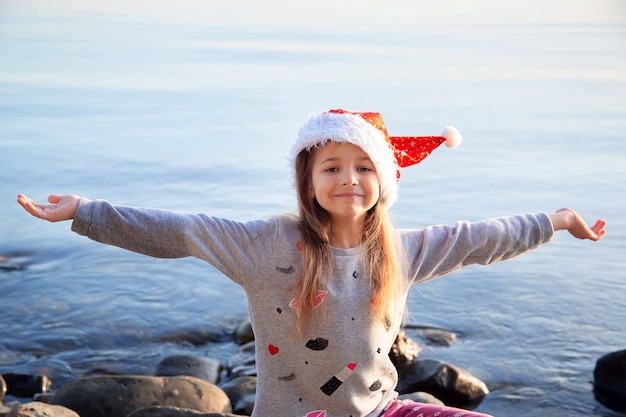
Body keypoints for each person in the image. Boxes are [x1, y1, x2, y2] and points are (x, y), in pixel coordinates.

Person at [17, 109, 607, 417]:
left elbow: (484, 237)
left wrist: (554, 220)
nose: (348, 178)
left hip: (382, 412)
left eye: (363, 166)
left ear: (384, 179)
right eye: (331, 166)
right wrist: (85, 211)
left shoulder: (400, 252)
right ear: (308, 179)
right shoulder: (265, 246)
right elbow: (180, 230)